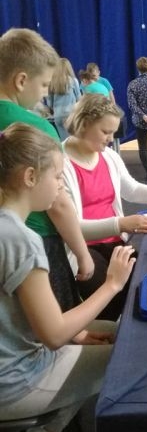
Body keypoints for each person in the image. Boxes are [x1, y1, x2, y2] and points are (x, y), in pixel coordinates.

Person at [0, 123, 137, 432]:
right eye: (58, 177)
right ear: (30, 177)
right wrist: (112, 285)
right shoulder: (20, 239)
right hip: (14, 381)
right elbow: (54, 334)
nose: (61, 187)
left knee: (110, 332)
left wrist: (77, 336)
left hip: (17, 356)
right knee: (127, 363)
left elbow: (34, 320)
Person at [62, 93, 147, 321]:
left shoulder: (108, 156)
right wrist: (122, 224)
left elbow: (130, 188)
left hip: (114, 239)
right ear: (84, 124)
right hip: (81, 249)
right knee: (112, 297)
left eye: (113, 132)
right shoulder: (60, 163)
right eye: (105, 132)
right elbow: (72, 228)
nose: (111, 139)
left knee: (146, 277)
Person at [0, 27, 94, 311]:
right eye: (43, 85)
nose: (44, 94)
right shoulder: (37, 127)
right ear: (21, 80)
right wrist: (82, 253)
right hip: (39, 241)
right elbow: (58, 203)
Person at [127, 56, 147, 181]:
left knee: (143, 148)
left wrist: (144, 117)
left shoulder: (132, 84)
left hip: (140, 122)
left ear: (138, 69)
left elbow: (132, 105)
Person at [45, 56, 81, 139]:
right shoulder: (73, 80)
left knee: (64, 141)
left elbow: (49, 103)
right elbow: (79, 99)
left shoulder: (52, 82)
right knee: (74, 140)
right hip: (71, 115)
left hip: (57, 116)